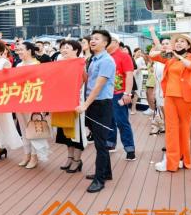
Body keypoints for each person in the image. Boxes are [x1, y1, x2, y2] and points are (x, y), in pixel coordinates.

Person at [150, 34, 191, 172]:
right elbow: (152, 56)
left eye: (182, 41)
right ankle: (171, 162)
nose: (178, 43)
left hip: (185, 98)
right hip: (170, 97)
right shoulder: (170, 58)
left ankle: (183, 159)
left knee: (184, 128)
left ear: (188, 45)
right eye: (176, 41)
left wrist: (180, 57)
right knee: (171, 128)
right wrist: (163, 50)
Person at [76, 29, 116, 193]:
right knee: (100, 141)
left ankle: (99, 180)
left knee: (100, 144)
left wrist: (85, 105)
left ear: (105, 43)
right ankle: (106, 173)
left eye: (97, 39)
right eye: (91, 38)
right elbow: (89, 80)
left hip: (101, 104)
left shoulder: (106, 61)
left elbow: (99, 86)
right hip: (93, 103)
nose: (92, 41)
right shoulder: (93, 59)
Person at [53, 40, 86, 173]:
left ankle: (77, 160)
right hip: (62, 102)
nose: (64, 50)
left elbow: (84, 81)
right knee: (65, 131)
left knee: (76, 132)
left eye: (67, 47)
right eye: (62, 48)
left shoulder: (80, 63)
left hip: (75, 103)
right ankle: (70, 157)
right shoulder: (60, 63)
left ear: (76, 50)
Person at [0, 40, 23, 162]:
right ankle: (1, 146)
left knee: (4, 120)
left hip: (2, 95)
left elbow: (8, 79)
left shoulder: (5, 62)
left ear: (1, 51)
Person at [14, 41, 49, 169]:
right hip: (20, 100)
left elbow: (42, 84)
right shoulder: (18, 65)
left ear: (29, 51)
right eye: (18, 50)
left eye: (21, 49)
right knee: (23, 129)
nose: (19, 52)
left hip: (34, 101)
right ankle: (27, 154)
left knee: (33, 129)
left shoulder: (37, 64)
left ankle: (35, 156)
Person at [106, 34, 136, 161]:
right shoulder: (104, 56)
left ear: (116, 42)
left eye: (109, 40)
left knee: (122, 121)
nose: (106, 42)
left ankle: (129, 149)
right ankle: (110, 144)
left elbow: (129, 75)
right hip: (106, 94)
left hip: (119, 93)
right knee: (109, 121)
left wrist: (127, 93)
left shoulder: (124, 56)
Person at [131, 48, 147, 114]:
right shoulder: (131, 58)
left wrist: (140, 68)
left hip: (138, 77)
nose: (139, 53)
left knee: (136, 92)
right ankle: (131, 107)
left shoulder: (141, 59)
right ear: (134, 52)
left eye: (140, 52)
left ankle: (133, 108)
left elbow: (145, 66)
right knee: (131, 92)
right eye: (138, 52)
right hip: (131, 77)